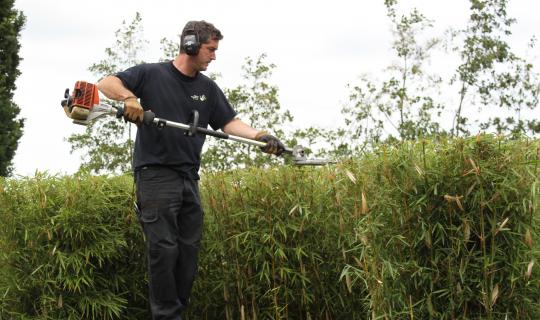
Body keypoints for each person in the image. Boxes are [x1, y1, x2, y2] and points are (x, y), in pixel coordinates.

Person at [97, 20, 285, 319]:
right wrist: (129, 98)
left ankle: (176, 313)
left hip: (188, 178)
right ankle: (166, 316)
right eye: (210, 49)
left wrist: (261, 135)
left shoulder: (208, 88)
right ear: (191, 45)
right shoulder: (150, 74)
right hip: (156, 174)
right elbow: (106, 83)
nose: (214, 56)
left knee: (187, 253)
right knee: (163, 249)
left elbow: (228, 124)